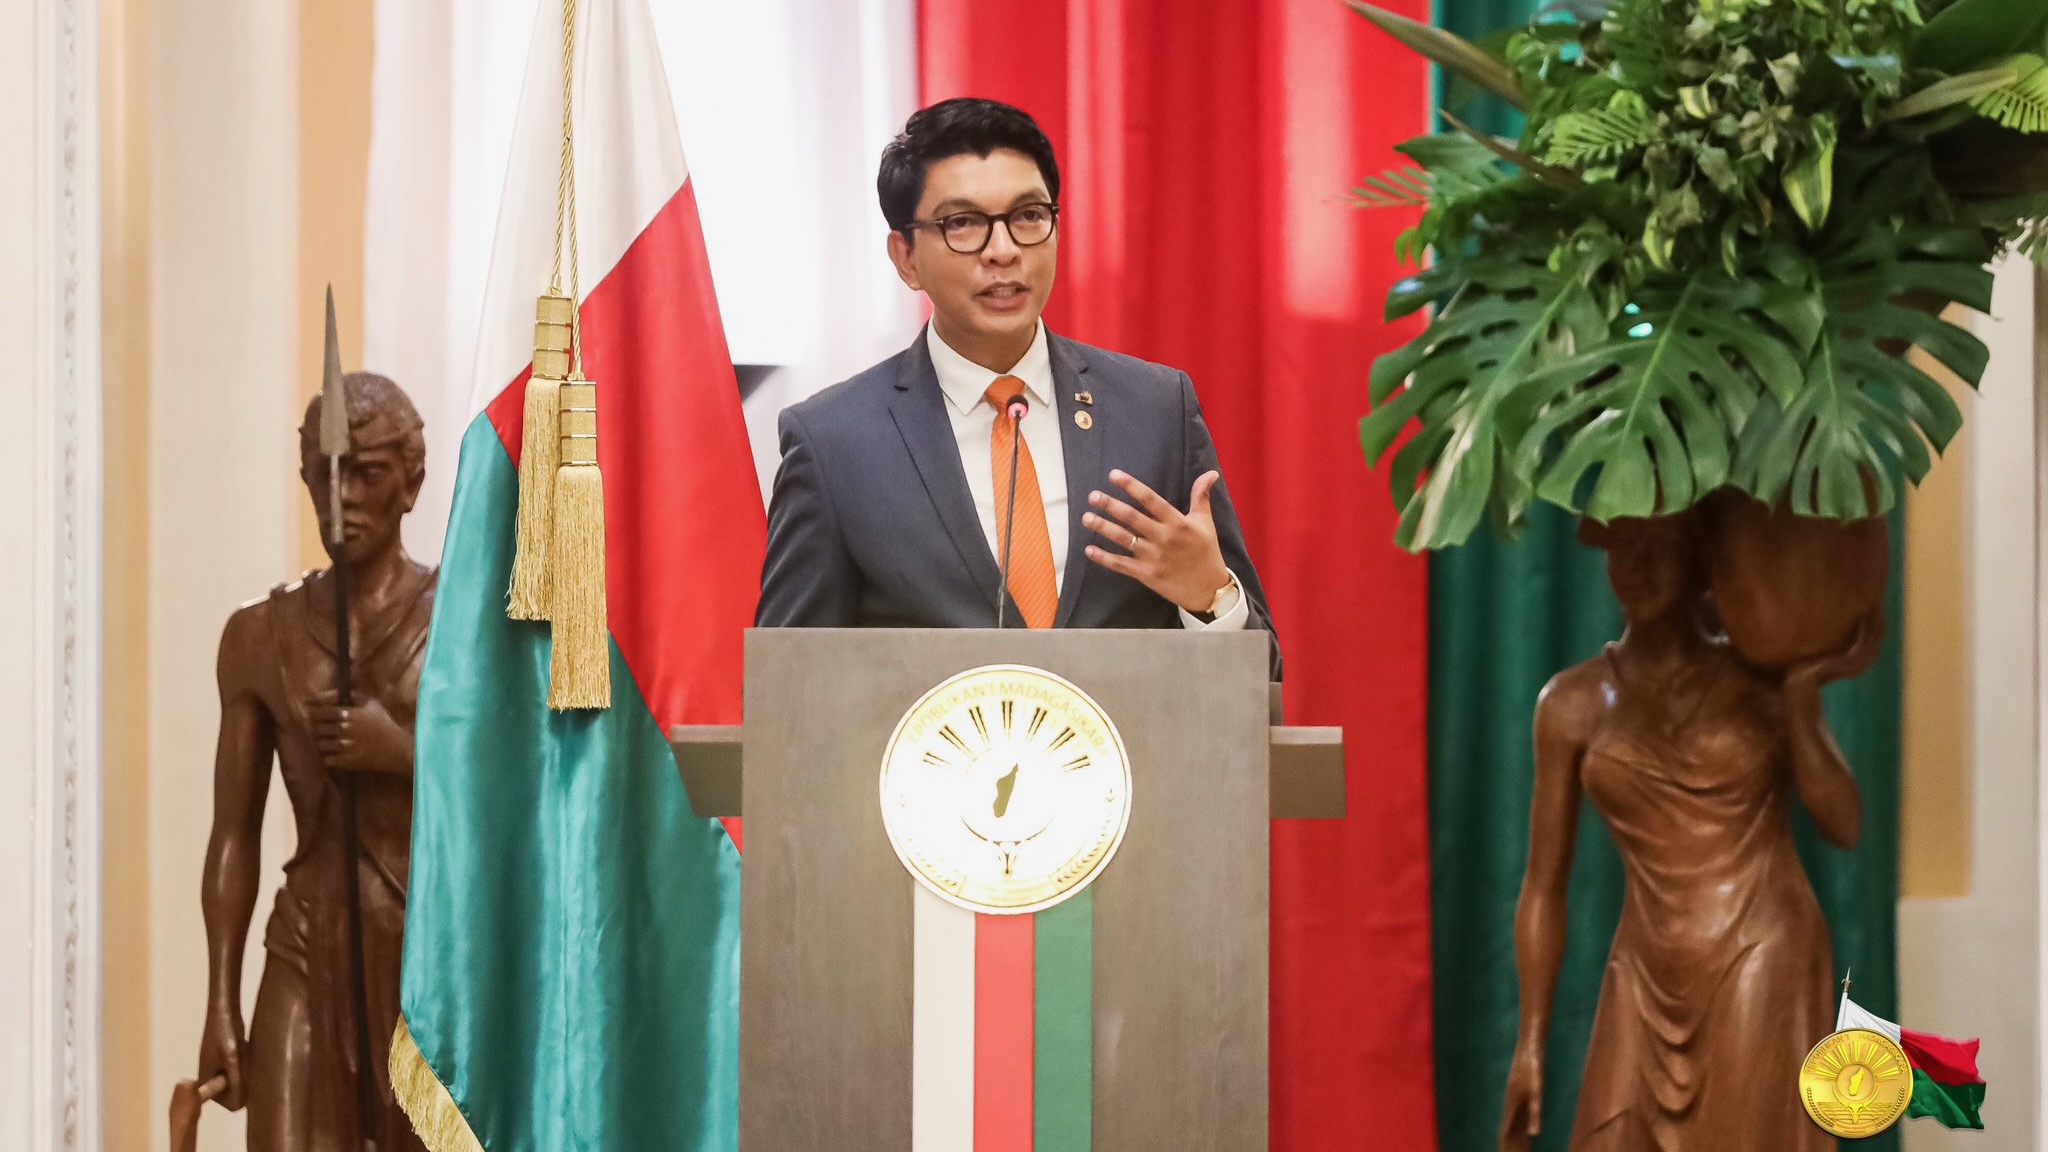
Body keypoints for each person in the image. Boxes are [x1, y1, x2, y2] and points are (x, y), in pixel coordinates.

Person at [756, 97, 1278, 677]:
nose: (1003, 251)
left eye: (1028, 216)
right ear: (905, 257)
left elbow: (1262, 681)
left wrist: (1210, 597)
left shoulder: (1155, 411)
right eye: (962, 224)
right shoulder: (833, 443)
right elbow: (787, 688)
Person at [1502, 512, 1874, 1151]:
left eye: (1661, 546)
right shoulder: (1569, 704)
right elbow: (1542, 888)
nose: (1637, 566)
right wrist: (1529, 1043)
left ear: (1704, 561)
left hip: (1761, 948)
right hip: (1643, 967)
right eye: (1622, 545)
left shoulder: (1760, 682)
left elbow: (1844, 823)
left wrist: (1801, 697)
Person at [196, 373, 435, 1152]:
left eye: (368, 474)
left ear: (410, 482)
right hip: (307, 935)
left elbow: (514, 803)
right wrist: (221, 999)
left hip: (424, 942)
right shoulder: (257, 636)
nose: (344, 499)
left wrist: (400, 752)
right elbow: (234, 834)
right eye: (326, 475)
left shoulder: (459, 626)